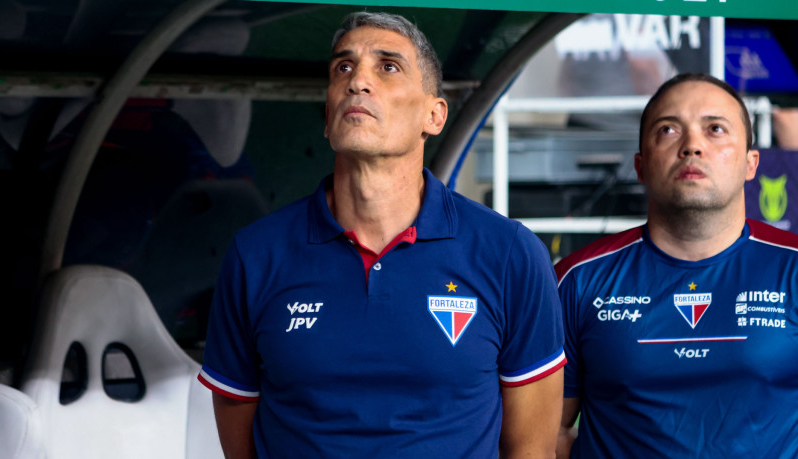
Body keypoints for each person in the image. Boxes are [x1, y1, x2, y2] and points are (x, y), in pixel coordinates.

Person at [197, 11, 566, 458]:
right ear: (327, 112)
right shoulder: (256, 255)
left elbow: (532, 449)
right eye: (343, 67)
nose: (357, 82)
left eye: (388, 66)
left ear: (435, 114)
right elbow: (240, 441)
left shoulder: (510, 254)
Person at [555, 73, 798, 457]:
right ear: (640, 164)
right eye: (668, 130)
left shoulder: (793, 268)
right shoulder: (578, 280)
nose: (692, 146)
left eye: (715, 129)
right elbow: (543, 434)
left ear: (752, 164)